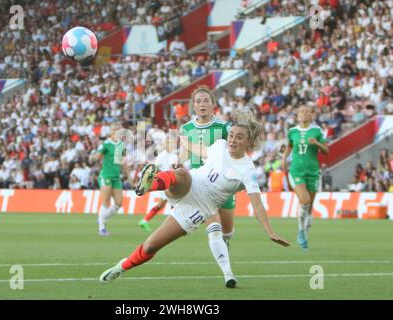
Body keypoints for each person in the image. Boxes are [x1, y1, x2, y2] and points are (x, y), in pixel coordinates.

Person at [100, 112, 290, 287]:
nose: (232, 140)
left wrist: (270, 232)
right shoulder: (218, 146)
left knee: (151, 245)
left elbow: (257, 204)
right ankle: (151, 184)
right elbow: (194, 147)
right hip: (191, 184)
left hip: (200, 208)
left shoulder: (247, 170)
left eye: (239, 137)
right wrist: (182, 139)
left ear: (248, 142)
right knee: (181, 172)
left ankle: (122, 266)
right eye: (231, 135)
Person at [180, 86, 235, 250]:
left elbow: (235, 150)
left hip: (223, 182)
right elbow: (185, 153)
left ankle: (226, 242)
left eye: (206, 101)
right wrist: (178, 162)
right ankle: (226, 272)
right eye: (198, 101)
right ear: (194, 105)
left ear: (213, 104)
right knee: (214, 228)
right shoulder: (187, 128)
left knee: (227, 230)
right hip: (201, 184)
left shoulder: (225, 127)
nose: (202, 104)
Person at [282, 105, 329, 250]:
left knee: (309, 208)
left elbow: (326, 151)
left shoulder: (317, 131)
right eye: (301, 111)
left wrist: (317, 143)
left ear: (311, 115)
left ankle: (304, 237)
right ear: (297, 115)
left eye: (306, 111)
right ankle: (300, 231)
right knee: (305, 200)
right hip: (296, 171)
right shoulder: (292, 131)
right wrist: (284, 159)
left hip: (313, 172)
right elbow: (290, 146)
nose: (303, 113)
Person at [139, 134, 181, 232]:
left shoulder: (174, 155)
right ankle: (172, 227)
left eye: (173, 143)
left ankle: (145, 221)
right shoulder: (162, 156)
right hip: (166, 184)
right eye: (170, 142)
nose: (172, 144)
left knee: (161, 205)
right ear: (166, 144)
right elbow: (155, 168)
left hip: (172, 183)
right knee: (174, 204)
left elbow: (175, 168)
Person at [93, 122, 127, 236]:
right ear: (110, 132)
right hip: (106, 175)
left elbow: (123, 162)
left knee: (118, 203)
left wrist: (130, 177)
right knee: (106, 201)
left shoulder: (121, 145)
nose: (115, 132)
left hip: (116, 177)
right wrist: (96, 155)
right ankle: (102, 228)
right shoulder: (106, 144)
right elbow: (96, 157)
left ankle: (102, 217)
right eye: (113, 130)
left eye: (117, 130)